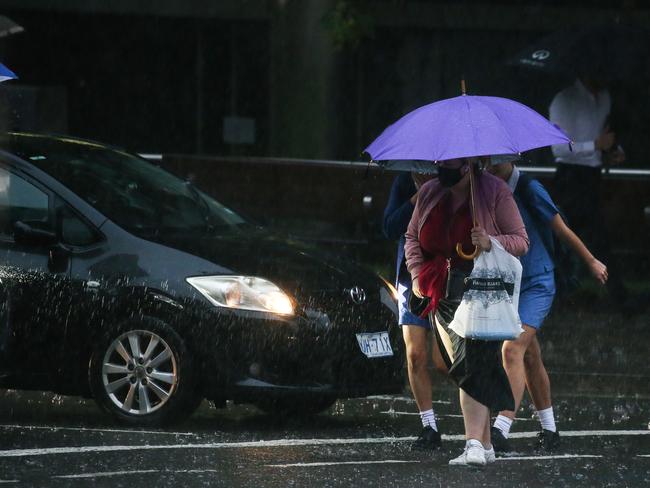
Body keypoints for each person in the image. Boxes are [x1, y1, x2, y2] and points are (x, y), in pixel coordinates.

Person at [405, 157, 529, 466]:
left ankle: (473, 443)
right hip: (440, 291)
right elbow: (411, 238)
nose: (444, 169)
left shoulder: (494, 191)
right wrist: (416, 272)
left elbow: (521, 241)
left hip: (481, 291)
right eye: (441, 163)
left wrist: (490, 241)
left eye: (452, 164)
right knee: (462, 365)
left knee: (470, 363)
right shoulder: (431, 191)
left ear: (469, 164)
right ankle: (485, 444)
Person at [487, 158, 608, 453]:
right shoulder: (485, 187)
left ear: (513, 156)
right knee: (529, 355)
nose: (490, 162)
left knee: (512, 349)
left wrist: (590, 260)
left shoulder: (529, 188)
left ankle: (501, 427)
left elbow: (560, 229)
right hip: (508, 282)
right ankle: (550, 429)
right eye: (486, 157)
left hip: (537, 282)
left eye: (497, 157)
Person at [549, 75, 627, 304]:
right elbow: (559, 149)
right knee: (564, 235)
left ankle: (615, 292)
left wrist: (613, 149)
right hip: (570, 175)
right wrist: (594, 145)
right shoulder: (563, 100)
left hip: (592, 175)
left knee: (598, 234)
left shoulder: (604, 98)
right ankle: (558, 292)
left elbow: (603, 134)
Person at [382, 171, 442, 451]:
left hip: (447, 275)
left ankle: (480, 405)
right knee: (415, 354)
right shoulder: (405, 182)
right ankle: (429, 425)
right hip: (411, 277)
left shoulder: (455, 180)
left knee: (444, 359)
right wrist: (417, 197)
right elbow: (389, 227)